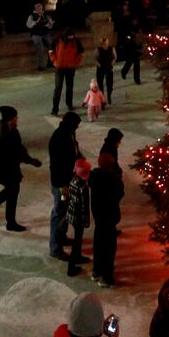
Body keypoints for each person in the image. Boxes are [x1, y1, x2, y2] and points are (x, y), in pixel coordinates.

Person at [0, 105, 41, 231]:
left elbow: (18, 150)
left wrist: (28, 159)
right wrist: (31, 161)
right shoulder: (10, 132)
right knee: (11, 193)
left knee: (10, 192)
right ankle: (7, 221)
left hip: (3, 167)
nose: (17, 119)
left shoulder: (1, 128)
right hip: (7, 169)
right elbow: (17, 151)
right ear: (11, 119)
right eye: (15, 117)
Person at [49, 112, 83, 260]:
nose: (77, 127)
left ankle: (61, 236)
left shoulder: (69, 133)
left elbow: (74, 152)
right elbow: (56, 166)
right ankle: (55, 248)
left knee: (64, 211)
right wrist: (62, 185)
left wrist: (80, 159)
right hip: (61, 184)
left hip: (67, 180)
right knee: (59, 212)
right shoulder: (59, 138)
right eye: (76, 125)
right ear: (71, 124)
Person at [90, 148, 125, 288]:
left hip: (98, 217)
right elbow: (119, 195)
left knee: (98, 246)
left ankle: (96, 271)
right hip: (109, 218)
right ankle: (106, 277)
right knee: (109, 250)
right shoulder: (113, 180)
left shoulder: (93, 176)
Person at [64, 156, 92, 277]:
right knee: (77, 240)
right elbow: (84, 206)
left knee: (78, 238)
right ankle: (71, 267)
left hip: (71, 213)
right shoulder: (83, 187)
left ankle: (78, 256)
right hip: (78, 217)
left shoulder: (72, 180)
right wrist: (86, 220)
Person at [50, 27, 84, 115]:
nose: (70, 39)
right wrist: (55, 61)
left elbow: (81, 53)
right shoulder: (57, 40)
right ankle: (55, 109)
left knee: (69, 87)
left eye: (72, 37)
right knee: (58, 88)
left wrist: (75, 63)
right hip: (59, 68)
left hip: (70, 68)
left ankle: (69, 104)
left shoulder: (76, 41)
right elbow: (51, 51)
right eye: (68, 38)